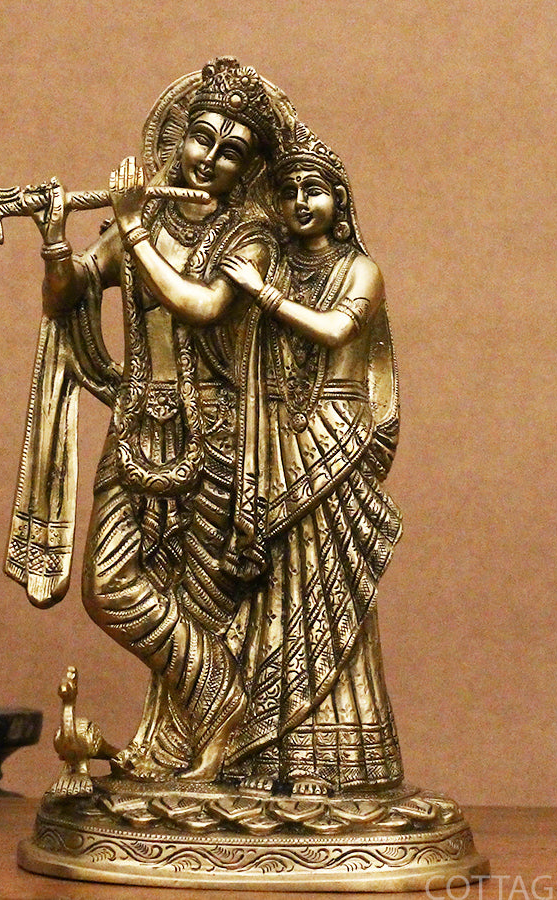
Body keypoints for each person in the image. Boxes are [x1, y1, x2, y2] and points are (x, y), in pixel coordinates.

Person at [5, 58, 284, 781]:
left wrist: (130, 227)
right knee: (109, 588)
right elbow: (68, 294)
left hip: (217, 436)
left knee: (205, 596)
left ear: (248, 168)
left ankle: (197, 744)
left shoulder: (252, 233)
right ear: (178, 138)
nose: (210, 158)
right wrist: (55, 238)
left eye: (231, 150)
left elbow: (202, 304)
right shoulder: (150, 217)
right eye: (201, 138)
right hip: (136, 427)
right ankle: (221, 699)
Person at [220, 123, 404, 794]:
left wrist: (261, 294)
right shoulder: (267, 260)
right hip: (274, 437)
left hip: (336, 432)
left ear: (339, 201)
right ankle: (267, 753)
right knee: (275, 588)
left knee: (331, 585)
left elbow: (335, 330)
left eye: (314, 190)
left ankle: (339, 757)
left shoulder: (360, 270)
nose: (301, 201)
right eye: (289, 190)